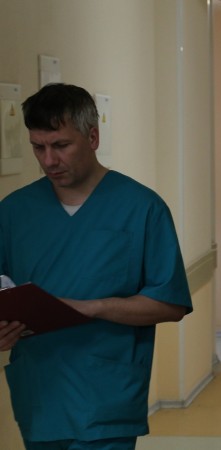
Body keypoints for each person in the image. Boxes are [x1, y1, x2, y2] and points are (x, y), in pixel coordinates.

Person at [0, 83, 193, 450]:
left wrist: (91, 307)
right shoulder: (13, 211)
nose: (48, 161)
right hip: (40, 395)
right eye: (38, 147)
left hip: (108, 397)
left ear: (93, 137)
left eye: (61, 145)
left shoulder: (142, 208)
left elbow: (170, 304)